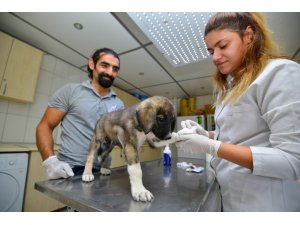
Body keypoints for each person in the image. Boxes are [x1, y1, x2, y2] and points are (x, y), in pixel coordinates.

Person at [174, 12, 300, 211]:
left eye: (223, 46)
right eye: (210, 50)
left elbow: (292, 160)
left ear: (249, 36)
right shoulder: (229, 88)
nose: (215, 57)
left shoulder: (279, 72)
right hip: (232, 197)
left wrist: (212, 146)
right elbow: (241, 136)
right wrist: (207, 135)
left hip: (266, 203)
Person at [36, 48, 124, 179]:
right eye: (104, 65)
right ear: (92, 64)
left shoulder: (119, 104)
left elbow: (117, 138)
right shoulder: (70, 91)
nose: (110, 72)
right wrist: (50, 161)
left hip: (102, 170)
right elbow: (45, 126)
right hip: (70, 169)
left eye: (115, 69)